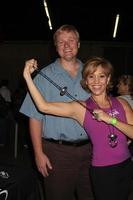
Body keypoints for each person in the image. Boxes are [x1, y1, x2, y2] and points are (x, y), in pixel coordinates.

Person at [23, 56, 133, 200]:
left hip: (126, 165)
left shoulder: (122, 103)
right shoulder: (81, 108)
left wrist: (111, 120)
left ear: (108, 79)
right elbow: (43, 106)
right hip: (103, 170)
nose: (96, 82)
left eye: (101, 76)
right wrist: (27, 76)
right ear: (86, 81)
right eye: (91, 77)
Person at [20, 25, 93, 200]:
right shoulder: (44, 76)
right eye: (61, 42)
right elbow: (35, 118)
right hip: (57, 153)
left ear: (79, 44)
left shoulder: (92, 74)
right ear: (55, 47)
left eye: (71, 40)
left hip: (91, 150)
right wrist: (38, 153)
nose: (66, 45)